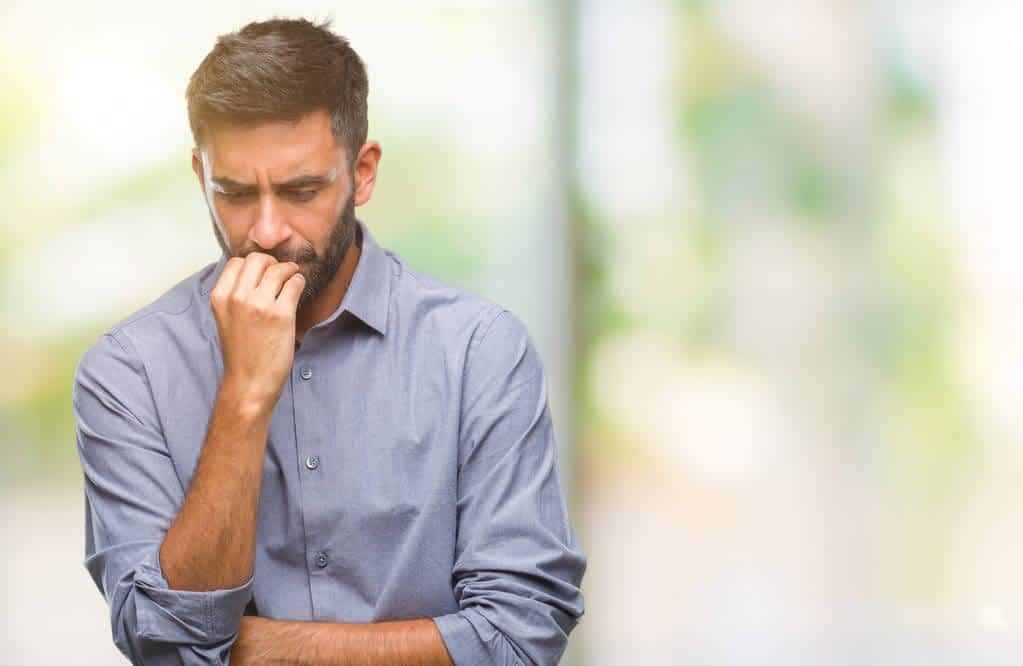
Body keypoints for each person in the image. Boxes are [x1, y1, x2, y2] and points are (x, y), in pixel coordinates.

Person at [71, 16, 586, 666]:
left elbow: (518, 638)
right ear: (199, 172)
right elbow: (164, 644)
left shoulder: (479, 352)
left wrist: (251, 649)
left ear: (362, 172)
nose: (265, 231)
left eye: (301, 190)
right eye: (231, 192)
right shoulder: (127, 372)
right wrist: (244, 397)